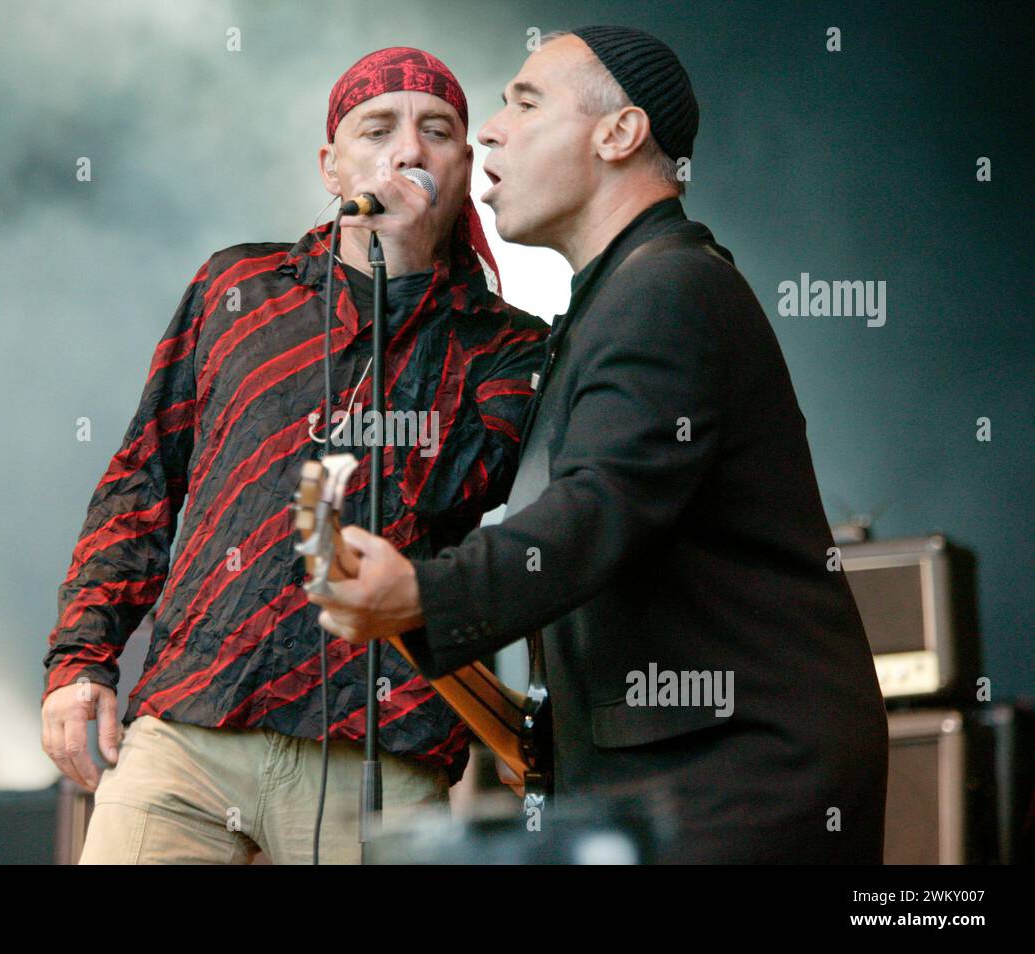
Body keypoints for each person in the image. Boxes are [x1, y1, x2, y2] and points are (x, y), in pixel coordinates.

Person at [308, 26, 889, 864]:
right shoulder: (614, 301)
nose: (490, 132)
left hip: (741, 785)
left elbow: (596, 510)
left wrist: (425, 597)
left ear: (620, 134)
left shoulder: (668, 290)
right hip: (687, 774)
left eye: (525, 101)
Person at [40, 46, 549, 864]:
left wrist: (405, 288)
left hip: (378, 746)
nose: (408, 150)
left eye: (438, 131)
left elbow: (511, 529)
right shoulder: (236, 290)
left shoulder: (510, 350)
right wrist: (80, 660)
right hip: (189, 728)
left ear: (465, 166)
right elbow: (142, 480)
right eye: (377, 129)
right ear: (331, 163)